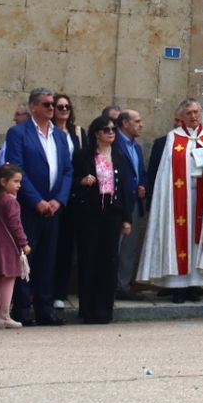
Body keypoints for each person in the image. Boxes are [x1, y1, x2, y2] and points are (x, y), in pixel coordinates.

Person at [138, 98, 203, 302]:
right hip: (178, 197)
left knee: (197, 240)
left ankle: (194, 285)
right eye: (189, 113)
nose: (193, 116)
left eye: (196, 112)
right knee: (177, 238)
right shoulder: (174, 137)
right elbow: (167, 170)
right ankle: (177, 287)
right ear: (182, 116)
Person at [1, 88, 71, 324]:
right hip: (28, 206)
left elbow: (67, 170)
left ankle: (44, 307)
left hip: (53, 207)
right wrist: (36, 200)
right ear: (33, 107)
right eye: (47, 104)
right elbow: (17, 168)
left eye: (53, 104)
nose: (52, 108)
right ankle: (22, 308)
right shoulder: (18, 133)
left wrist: (58, 200)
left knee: (48, 258)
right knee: (25, 258)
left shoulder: (59, 135)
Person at [72, 115, 135, 323]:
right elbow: (72, 180)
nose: (111, 133)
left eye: (113, 130)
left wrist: (127, 218)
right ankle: (88, 309)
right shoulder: (83, 155)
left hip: (112, 213)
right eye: (106, 130)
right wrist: (82, 182)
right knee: (88, 258)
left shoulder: (119, 156)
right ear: (97, 133)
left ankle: (104, 309)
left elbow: (125, 188)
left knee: (109, 260)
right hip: (89, 213)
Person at [0, 164, 30, 329]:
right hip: (9, 246)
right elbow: (15, 225)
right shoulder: (10, 201)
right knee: (9, 278)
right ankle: (4, 315)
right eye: (15, 181)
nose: (19, 185)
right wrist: (23, 243)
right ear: (3, 181)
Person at [50, 92, 84, 311]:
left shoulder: (77, 133)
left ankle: (59, 292)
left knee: (65, 246)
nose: (63, 110)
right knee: (49, 246)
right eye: (59, 107)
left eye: (66, 107)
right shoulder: (48, 131)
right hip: (53, 195)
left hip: (73, 196)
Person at [113, 109, 147, 298]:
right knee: (114, 247)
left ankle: (123, 286)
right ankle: (109, 285)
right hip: (118, 204)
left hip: (134, 203)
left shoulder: (137, 148)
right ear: (125, 123)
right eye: (137, 121)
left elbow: (141, 173)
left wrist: (143, 185)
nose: (141, 125)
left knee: (129, 247)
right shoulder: (114, 144)